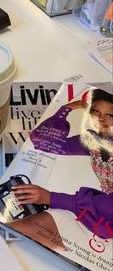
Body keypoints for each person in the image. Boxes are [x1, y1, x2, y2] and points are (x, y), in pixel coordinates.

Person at [8, 88, 113, 249]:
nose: (101, 119)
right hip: (99, 212)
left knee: (37, 226)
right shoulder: (94, 141)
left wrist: (51, 198)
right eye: (96, 112)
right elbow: (43, 142)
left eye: (109, 115)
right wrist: (67, 109)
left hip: (103, 211)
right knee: (22, 227)